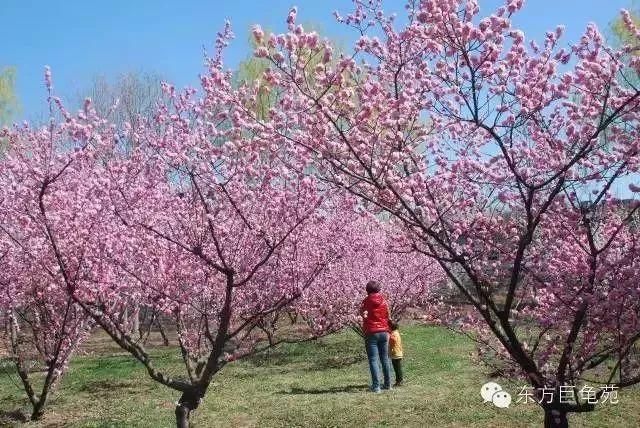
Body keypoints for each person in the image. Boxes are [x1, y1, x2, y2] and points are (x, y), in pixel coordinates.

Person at [360, 280, 391, 393]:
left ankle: (376, 386)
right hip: (384, 331)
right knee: (385, 358)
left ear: (367, 290)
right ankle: (388, 384)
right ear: (378, 289)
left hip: (371, 332)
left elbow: (363, 314)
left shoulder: (366, 301)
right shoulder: (384, 300)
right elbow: (388, 314)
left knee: (373, 359)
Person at [388, 320, 404, 386]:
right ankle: (399, 380)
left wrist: (389, 340)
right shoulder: (396, 332)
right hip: (398, 352)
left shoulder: (393, 334)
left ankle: (399, 381)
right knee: (398, 368)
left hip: (395, 353)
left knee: (397, 368)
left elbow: (393, 340)